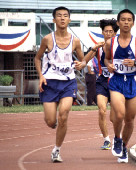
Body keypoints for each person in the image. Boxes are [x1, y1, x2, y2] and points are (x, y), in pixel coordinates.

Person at [34, 6, 87, 162]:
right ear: (54, 20)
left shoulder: (75, 41)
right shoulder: (47, 39)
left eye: (65, 16)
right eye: (59, 16)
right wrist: (41, 76)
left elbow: (82, 60)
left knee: (64, 115)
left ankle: (56, 150)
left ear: (69, 20)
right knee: (51, 121)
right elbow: (37, 58)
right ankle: (54, 123)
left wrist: (81, 65)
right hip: (49, 83)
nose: (62, 18)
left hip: (68, 83)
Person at [104, 9, 136, 163]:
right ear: (118, 22)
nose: (126, 22)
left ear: (133, 23)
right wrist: (109, 65)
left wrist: (135, 62)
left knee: (130, 119)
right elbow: (107, 59)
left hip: (131, 81)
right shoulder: (111, 42)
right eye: (123, 19)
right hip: (116, 81)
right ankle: (116, 138)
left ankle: (123, 146)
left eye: (129, 20)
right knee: (119, 114)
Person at [85, 18, 119, 150]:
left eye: (111, 31)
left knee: (114, 117)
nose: (109, 34)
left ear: (115, 33)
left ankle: (118, 138)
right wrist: (93, 49)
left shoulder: (120, 46)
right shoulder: (98, 47)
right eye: (106, 31)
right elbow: (85, 60)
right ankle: (106, 140)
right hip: (102, 81)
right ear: (102, 32)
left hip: (117, 82)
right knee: (101, 110)